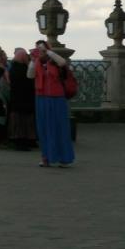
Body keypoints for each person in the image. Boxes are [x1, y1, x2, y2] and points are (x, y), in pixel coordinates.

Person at [30, 40, 75, 168]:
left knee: (60, 128)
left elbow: (63, 62)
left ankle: (64, 158)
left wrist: (48, 52)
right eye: (37, 48)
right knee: (44, 129)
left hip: (57, 98)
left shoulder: (55, 61)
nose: (39, 50)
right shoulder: (37, 62)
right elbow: (30, 75)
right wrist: (33, 60)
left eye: (41, 48)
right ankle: (46, 157)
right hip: (41, 98)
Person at [6, 47, 37, 151]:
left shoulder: (13, 67)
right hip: (23, 99)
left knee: (19, 121)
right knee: (23, 121)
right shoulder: (23, 68)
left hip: (17, 99)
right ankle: (23, 142)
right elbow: (29, 81)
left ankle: (21, 141)